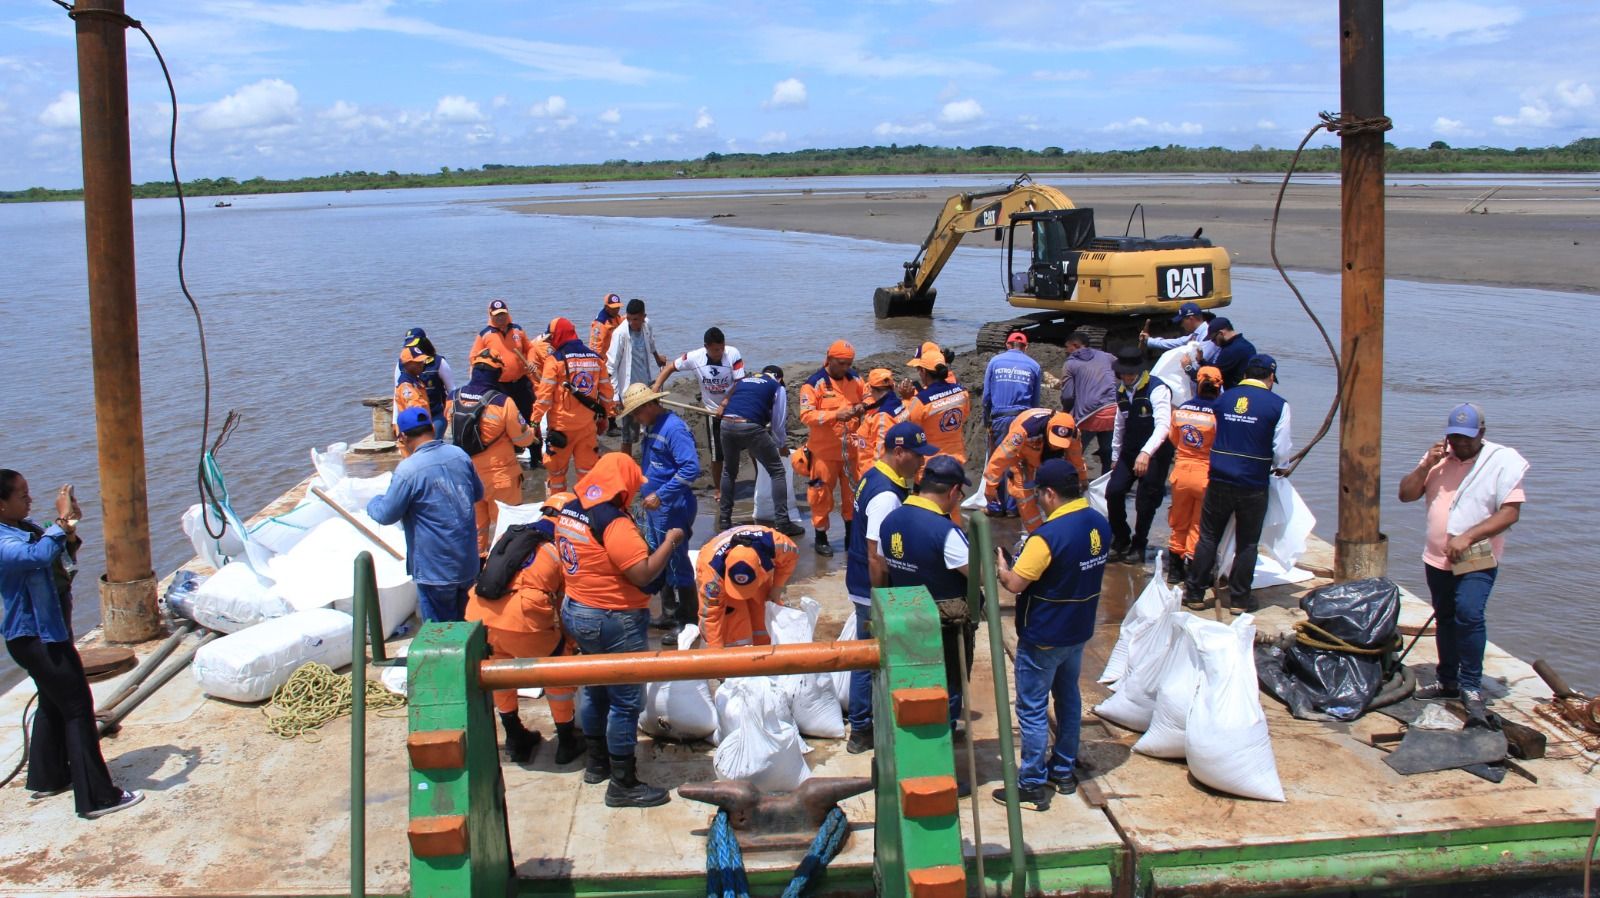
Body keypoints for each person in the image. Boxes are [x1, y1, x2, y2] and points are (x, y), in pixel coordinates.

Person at [1, 472, 143, 820]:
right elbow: (34, 557)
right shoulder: (6, 541)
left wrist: (68, 526)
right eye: (22, 496)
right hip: (37, 639)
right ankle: (97, 797)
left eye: (29, 493)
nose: (29, 500)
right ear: (1, 504)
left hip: (47, 634)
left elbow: (60, 552)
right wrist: (61, 522)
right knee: (78, 709)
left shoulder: (27, 527)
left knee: (52, 703)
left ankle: (48, 777)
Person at [554, 453, 686, 808]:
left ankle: (596, 764)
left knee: (596, 690)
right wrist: (670, 541)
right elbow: (642, 574)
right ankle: (623, 783)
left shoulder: (570, 507)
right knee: (626, 703)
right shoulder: (612, 521)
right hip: (614, 618)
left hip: (577, 610)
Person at [993, 459, 1111, 811]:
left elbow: (1016, 584)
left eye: (1038, 495)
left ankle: (1031, 784)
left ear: (1049, 493)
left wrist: (1002, 567)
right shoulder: (1099, 523)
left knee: (1031, 708)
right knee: (1069, 699)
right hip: (1077, 631)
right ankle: (1062, 769)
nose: (1036, 502)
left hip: (1044, 634)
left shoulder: (1047, 537)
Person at [1398, 403, 1527, 723]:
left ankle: (1471, 685)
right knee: (1445, 616)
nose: (1460, 444)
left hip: (1475, 559)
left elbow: (1510, 512)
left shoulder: (1499, 462)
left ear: (1481, 434)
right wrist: (1427, 464)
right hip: (1437, 558)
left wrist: (1468, 537)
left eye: (1467, 438)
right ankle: (1447, 679)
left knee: (1469, 614)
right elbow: (1406, 494)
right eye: (1454, 437)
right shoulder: (1438, 460)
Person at [843, 421, 936, 753]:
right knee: (869, 658)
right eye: (918, 456)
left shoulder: (875, 473)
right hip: (870, 587)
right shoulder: (886, 495)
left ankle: (863, 722)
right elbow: (876, 556)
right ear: (899, 453)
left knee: (866, 655)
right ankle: (862, 728)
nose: (922, 462)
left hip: (860, 581)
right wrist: (883, 599)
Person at [466, 512, 581, 765]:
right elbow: (563, 603)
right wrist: (568, 641)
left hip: (481, 615)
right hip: (522, 618)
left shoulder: (510, 537)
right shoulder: (557, 547)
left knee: (501, 673)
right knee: (556, 671)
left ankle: (515, 737)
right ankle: (567, 741)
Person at [1183, 355, 1292, 614]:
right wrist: (1280, 466)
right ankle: (1240, 600)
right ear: (1271, 378)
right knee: (1248, 542)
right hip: (1253, 482)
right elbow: (1282, 450)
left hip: (1219, 477)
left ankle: (1195, 594)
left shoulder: (1224, 398)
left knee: (1208, 537)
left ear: (1245, 374)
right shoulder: (1279, 405)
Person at [879, 456, 974, 728]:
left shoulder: (890, 521)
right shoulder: (945, 531)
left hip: (905, 618)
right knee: (948, 683)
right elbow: (976, 574)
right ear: (954, 491)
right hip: (944, 625)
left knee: (911, 682)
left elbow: (883, 563)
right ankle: (944, 732)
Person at [367, 407, 483, 622]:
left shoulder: (408, 470)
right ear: (431, 428)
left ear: (402, 437)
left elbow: (386, 515)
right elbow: (478, 493)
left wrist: (372, 502)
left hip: (435, 569)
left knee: (440, 636)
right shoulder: (459, 455)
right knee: (466, 626)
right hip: (467, 562)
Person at [623, 383, 702, 645]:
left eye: (636, 413)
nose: (635, 419)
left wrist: (661, 494)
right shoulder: (652, 427)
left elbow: (690, 468)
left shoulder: (674, 428)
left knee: (677, 561)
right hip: (656, 508)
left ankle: (688, 622)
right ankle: (669, 613)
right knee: (661, 556)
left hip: (674, 506)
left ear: (649, 406)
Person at [452, 349, 539, 552]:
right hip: (500, 477)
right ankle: (502, 575)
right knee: (507, 531)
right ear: (496, 375)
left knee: (475, 529)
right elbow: (522, 439)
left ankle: (477, 566)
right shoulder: (502, 402)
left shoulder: (453, 397)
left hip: (467, 475)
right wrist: (531, 433)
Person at [653, 327, 745, 499]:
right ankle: (719, 489)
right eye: (715, 349)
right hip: (711, 411)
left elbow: (740, 382)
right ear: (706, 347)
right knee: (717, 453)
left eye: (721, 348)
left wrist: (725, 403)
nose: (719, 352)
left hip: (735, 408)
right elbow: (671, 367)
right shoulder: (695, 357)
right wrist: (657, 387)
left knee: (750, 445)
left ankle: (761, 484)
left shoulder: (733, 354)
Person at [1106, 347, 1175, 566]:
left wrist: (1146, 453)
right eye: (1123, 374)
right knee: (1113, 492)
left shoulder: (1157, 388)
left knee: (1146, 501)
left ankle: (1139, 543)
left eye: (1130, 374)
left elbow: (1163, 425)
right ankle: (1121, 537)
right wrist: (1115, 455)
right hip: (1129, 450)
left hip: (1155, 453)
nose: (1126, 377)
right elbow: (1120, 422)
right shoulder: (1121, 391)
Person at [799, 341, 869, 557]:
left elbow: (868, 397)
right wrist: (834, 415)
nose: (846, 368)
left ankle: (851, 537)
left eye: (849, 363)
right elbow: (806, 415)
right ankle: (821, 537)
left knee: (853, 496)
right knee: (820, 496)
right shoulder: (814, 384)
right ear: (829, 359)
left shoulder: (855, 379)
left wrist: (860, 408)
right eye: (841, 363)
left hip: (851, 452)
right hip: (824, 454)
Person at [716, 365, 803, 537]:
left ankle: (724, 519)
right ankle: (783, 522)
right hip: (750, 426)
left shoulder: (745, 380)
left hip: (726, 424)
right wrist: (781, 444)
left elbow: (730, 398)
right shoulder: (776, 387)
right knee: (777, 471)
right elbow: (778, 421)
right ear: (779, 378)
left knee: (729, 471)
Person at [534, 317, 613, 494]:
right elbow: (607, 394)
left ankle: (556, 512)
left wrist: (534, 423)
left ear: (558, 336)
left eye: (551, 339)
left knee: (556, 476)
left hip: (561, 430)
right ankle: (586, 512)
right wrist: (605, 417)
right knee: (587, 475)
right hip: (587, 428)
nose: (551, 343)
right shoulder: (596, 358)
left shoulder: (555, 360)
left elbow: (544, 398)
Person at [1164, 366, 1224, 585]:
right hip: (1206, 475)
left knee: (1178, 521)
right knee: (1199, 525)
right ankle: (1193, 570)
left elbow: (1174, 439)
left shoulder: (1181, 410)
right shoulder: (1220, 413)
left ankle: (1173, 571)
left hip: (1181, 472)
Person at [982, 409, 1088, 534]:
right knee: (1024, 496)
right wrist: (990, 486)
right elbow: (1001, 457)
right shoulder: (1024, 430)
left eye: (1061, 443)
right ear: (1049, 428)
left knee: (1060, 490)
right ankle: (1037, 534)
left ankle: (1060, 531)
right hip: (1023, 457)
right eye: (1055, 441)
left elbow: (1076, 457)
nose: (1057, 446)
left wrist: (1082, 478)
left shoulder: (1073, 433)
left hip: (1050, 457)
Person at [694, 524, 800, 649]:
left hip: (759, 580)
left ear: (760, 566)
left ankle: (766, 650)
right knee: (734, 624)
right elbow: (710, 617)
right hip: (722, 582)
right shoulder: (712, 575)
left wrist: (777, 588)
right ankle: (736, 657)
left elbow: (791, 557)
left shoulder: (776, 544)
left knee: (763, 612)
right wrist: (716, 652)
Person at [982, 332, 1042, 516]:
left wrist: (987, 421)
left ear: (1007, 345)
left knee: (997, 461)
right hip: (1023, 420)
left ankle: (995, 506)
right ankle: (1015, 507)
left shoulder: (995, 362)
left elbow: (986, 396)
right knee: (1019, 463)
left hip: (1000, 417)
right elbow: (1036, 399)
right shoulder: (1034, 365)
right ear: (1025, 346)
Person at [605, 298, 668, 458]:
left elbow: (651, 343)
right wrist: (615, 396)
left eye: (636, 319)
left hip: (646, 387)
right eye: (630, 319)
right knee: (629, 434)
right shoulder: (620, 334)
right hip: (629, 393)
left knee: (651, 426)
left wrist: (656, 357)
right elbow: (611, 366)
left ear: (643, 317)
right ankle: (626, 465)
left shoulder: (647, 326)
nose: (633, 322)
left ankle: (652, 459)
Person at [469, 299, 539, 424]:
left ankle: (532, 441)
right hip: (500, 385)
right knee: (506, 418)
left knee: (529, 416)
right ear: (490, 315)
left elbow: (530, 348)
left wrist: (531, 361)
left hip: (521, 382)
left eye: (503, 314)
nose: (500, 318)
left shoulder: (517, 330)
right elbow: (473, 357)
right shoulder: (484, 335)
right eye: (497, 315)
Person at [1060, 332, 1119, 475]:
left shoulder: (1070, 364)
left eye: (1068, 348)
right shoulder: (1108, 357)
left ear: (1076, 346)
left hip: (1087, 416)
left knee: (1075, 451)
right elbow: (1121, 375)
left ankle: (1072, 481)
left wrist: (1067, 413)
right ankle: (1106, 484)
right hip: (1111, 411)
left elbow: (1068, 396)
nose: (1067, 351)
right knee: (1108, 451)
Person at [905, 345, 971, 465]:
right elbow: (964, 416)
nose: (918, 373)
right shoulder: (962, 392)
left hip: (930, 464)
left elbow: (909, 429)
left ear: (924, 371)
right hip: (956, 460)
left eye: (919, 369)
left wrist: (906, 399)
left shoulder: (921, 400)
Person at [394, 328, 456, 441]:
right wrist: (395, 422)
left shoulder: (439, 362)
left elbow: (452, 390)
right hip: (412, 419)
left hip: (436, 414)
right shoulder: (402, 365)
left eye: (414, 345)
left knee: (432, 442)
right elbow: (396, 396)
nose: (411, 348)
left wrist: (453, 415)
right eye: (408, 346)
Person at [850, 368, 907, 484]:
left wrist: (871, 481)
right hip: (896, 470)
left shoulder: (882, 415)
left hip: (876, 477)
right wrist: (861, 440)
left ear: (871, 389)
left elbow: (881, 454)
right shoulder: (899, 405)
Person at [393, 346, 434, 457]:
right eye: (417, 362)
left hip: (421, 436)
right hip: (413, 438)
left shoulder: (416, 381)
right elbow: (415, 413)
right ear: (407, 364)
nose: (422, 364)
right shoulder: (406, 387)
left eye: (422, 361)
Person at [1142, 302, 1216, 361]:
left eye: (1182, 321)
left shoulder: (1207, 334)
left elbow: (1201, 359)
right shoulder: (1195, 334)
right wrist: (1149, 340)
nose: (1181, 325)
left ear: (1191, 319)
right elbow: (1176, 342)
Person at [1205, 318, 1257, 389]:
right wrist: (1201, 361)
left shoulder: (1231, 350)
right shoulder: (1247, 345)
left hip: (1237, 393)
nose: (1214, 343)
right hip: (1249, 389)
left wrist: (1189, 368)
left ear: (1221, 333)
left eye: (1214, 339)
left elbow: (1213, 375)